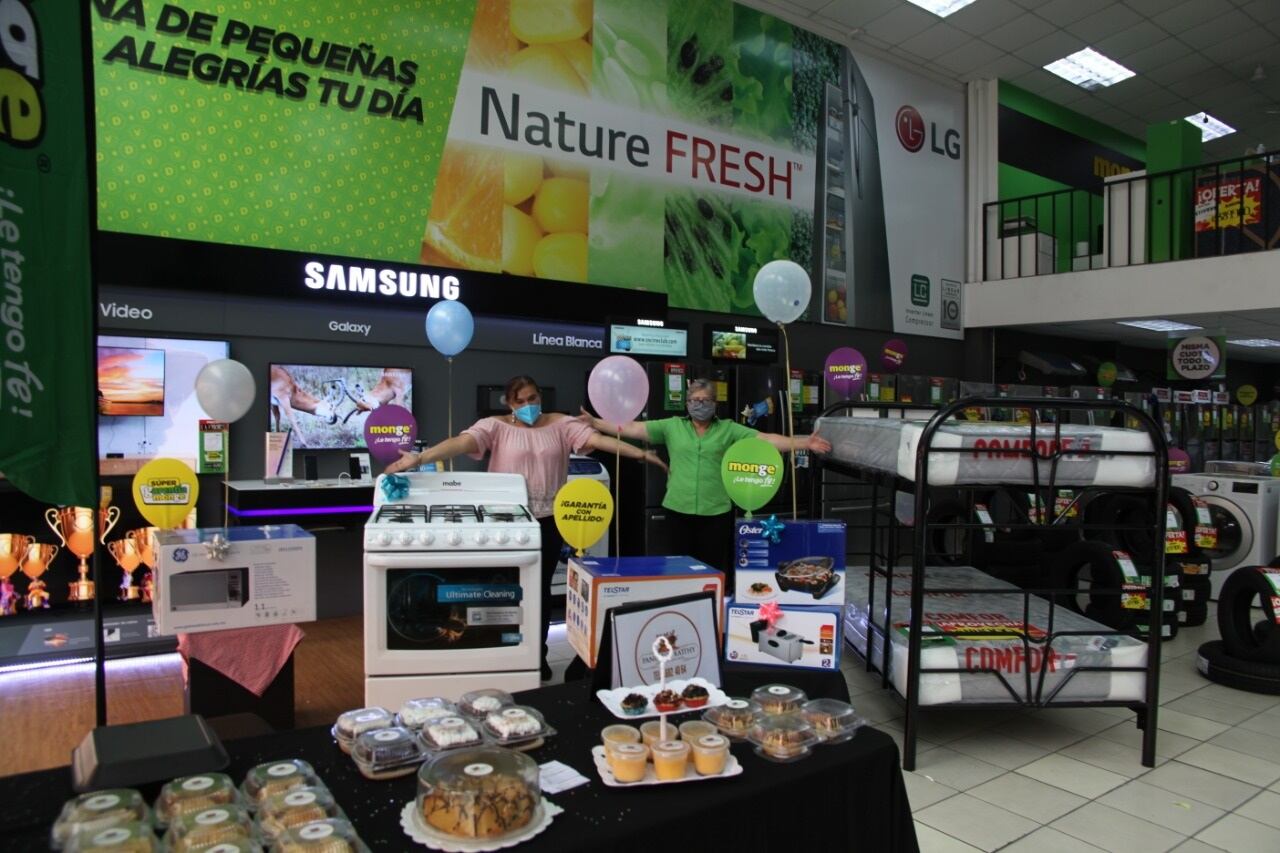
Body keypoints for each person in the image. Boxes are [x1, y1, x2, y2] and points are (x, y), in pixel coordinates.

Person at [385, 375, 667, 681]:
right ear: (509, 403)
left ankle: (537, 656)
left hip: (548, 521)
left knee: (539, 591)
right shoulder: (494, 426)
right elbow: (460, 443)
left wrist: (640, 453)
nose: (528, 405)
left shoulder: (561, 423)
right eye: (521, 401)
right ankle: (502, 653)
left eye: (533, 398)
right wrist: (420, 458)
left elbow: (599, 441)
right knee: (501, 588)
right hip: (504, 520)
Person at [580, 378, 830, 586]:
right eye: (694, 401)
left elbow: (765, 439)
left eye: (705, 400)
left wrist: (804, 443)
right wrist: (596, 423)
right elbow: (632, 428)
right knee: (678, 571)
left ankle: (710, 613)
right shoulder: (671, 426)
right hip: (677, 509)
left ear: (715, 404)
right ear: (687, 403)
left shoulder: (729, 429)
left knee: (710, 571)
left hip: (716, 511)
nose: (700, 405)